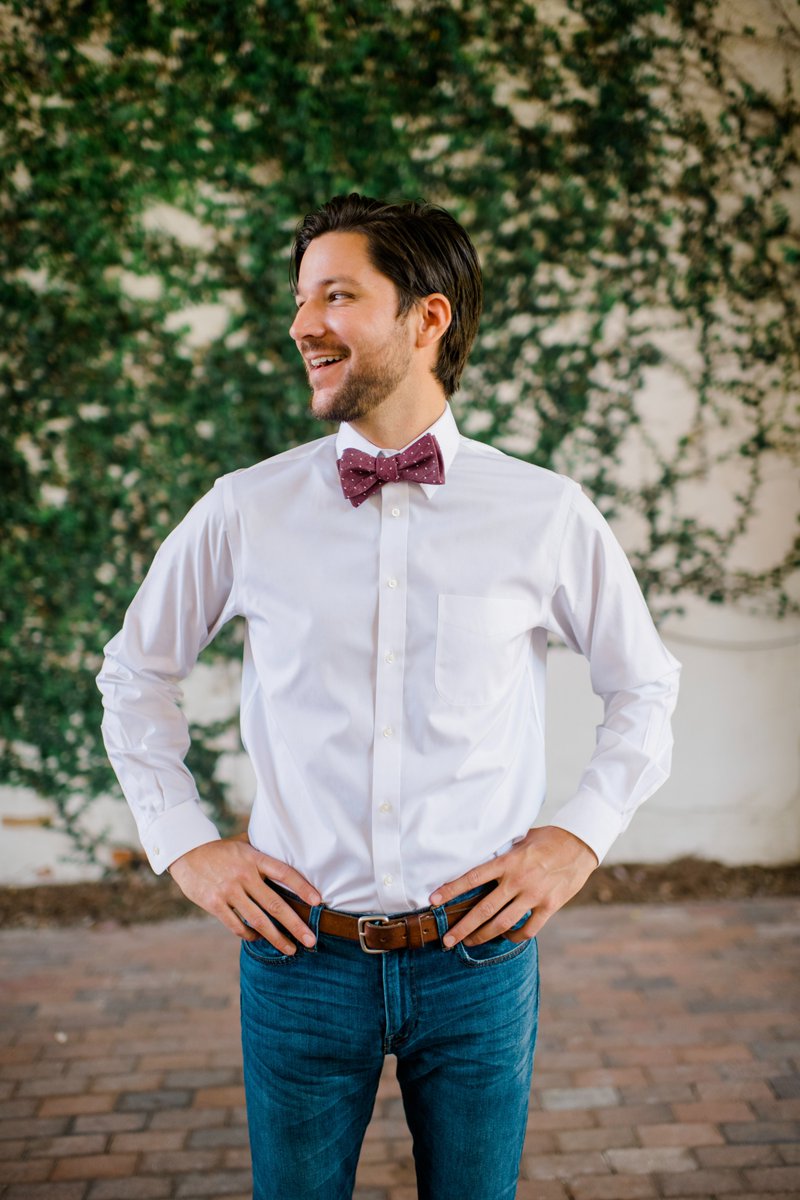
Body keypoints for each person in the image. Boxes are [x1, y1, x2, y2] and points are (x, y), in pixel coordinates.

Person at [97, 192, 680, 1200]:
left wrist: (576, 838)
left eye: (336, 295)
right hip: (299, 961)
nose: (301, 324)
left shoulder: (543, 512)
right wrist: (184, 844)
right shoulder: (246, 509)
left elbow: (645, 685)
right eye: (299, 299)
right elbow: (134, 673)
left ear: (426, 317)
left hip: (478, 959)